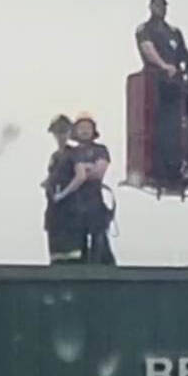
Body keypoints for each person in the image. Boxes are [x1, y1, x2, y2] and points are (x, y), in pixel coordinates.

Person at [135, 0, 188, 185]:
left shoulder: (174, 32)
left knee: (174, 127)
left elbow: (184, 55)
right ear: (150, 6)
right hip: (154, 84)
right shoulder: (145, 29)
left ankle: (174, 168)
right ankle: (158, 169)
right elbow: (148, 49)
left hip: (174, 86)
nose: (161, 9)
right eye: (157, 5)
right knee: (157, 127)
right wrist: (163, 65)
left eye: (164, 5)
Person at [52, 112, 116, 265]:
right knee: (77, 248)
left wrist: (81, 171)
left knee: (99, 243)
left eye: (88, 127)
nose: (85, 130)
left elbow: (98, 172)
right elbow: (63, 173)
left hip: (94, 204)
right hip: (74, 207)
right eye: (81, 127)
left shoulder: (101, 149)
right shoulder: (70, 152)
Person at [42, 115, 82, 264]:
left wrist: (64, 194)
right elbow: (53, 176)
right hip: (54, 209)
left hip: (70, 209)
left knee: (71, 253)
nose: (61, 135)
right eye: (58, 132)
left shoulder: (75, 154)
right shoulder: (55, 156)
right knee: (56, 252)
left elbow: (80, 176)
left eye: (64, 131)